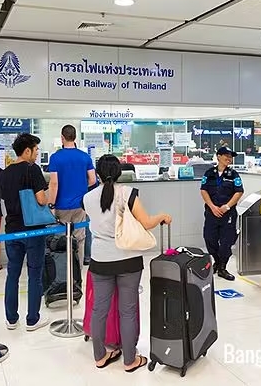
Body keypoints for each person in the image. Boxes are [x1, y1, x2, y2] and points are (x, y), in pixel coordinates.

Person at [83, 154, 171, 372]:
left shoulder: (87, 198)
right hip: (128, 260)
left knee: (99, 309)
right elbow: (147, 223)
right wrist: (163, 216)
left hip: (100, 261)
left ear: (98, 173)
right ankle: (130, 360)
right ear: (119, 172)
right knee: (128, 310)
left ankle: (100, 356)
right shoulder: (128, 193)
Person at [0, 133, 50, 331]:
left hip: (11, 229)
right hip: (32, 230)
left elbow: (5, 198)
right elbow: (41, 200)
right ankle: (32, 319)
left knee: (13, 274)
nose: (37, 154)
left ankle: (11, 319)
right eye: (36, 150)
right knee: (34, 274)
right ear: (27, 150)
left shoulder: (5, 173)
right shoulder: (32, 169)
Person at [47, 125, 96, 264]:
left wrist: (51, 204)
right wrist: (80, 186)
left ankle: (63, 274)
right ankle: (77, 274)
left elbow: (54, 183)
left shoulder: (56, 157)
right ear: (75, 137)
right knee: (79, 240)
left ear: (62, 137)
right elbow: (92, 180)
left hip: (61, 206)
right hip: (80, 205)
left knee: (61, 241)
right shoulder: (84, 157)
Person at [200, 146, 244, 281]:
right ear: (218, 156)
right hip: (211, 212)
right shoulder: (209, 173)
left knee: (226, 241)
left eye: (231, 157)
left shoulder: (233, 174)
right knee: (209, 238)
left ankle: (222, 267)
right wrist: (212, 206)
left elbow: (239, 191)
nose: (229, 159)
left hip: (227, 214)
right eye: (227, 156)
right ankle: (217, 261)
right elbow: (203, 190)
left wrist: (227, 206)